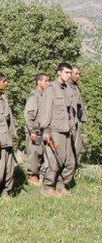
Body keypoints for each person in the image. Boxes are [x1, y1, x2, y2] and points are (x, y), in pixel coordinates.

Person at [37, 63, 76, 197]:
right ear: (59, 73)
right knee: (54, 161)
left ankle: (60, 185)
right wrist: (46, 130)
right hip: (54, 131)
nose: (69, 75)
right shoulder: (51, 89)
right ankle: (48, 187)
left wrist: (72, 127)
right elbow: (45, 111)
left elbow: (70, 112)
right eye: (66, 72)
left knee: (70, 162)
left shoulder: (68, 89)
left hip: (66, 131)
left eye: (70, 73)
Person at [24, 73, 49, 186]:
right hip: (36, 131)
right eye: (46, 81)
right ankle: (33, 176)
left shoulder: (45, 96)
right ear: (39, 82)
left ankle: (40, 176)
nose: (48, 83)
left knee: (42, 152)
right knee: (35, 153)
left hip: (44, 130)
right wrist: (33, 132)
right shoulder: (34, 97)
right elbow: (29, 116)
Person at [68, 66, 88, 165]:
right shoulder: (65, 87)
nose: (78, 76)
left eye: (79, 74)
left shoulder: (76, 87)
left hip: (77, 121)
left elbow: (80, 105)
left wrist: (83, 119)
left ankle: (73, 171)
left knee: (78, 147)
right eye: (76, 74)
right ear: (70, 74)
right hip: (68, 123)